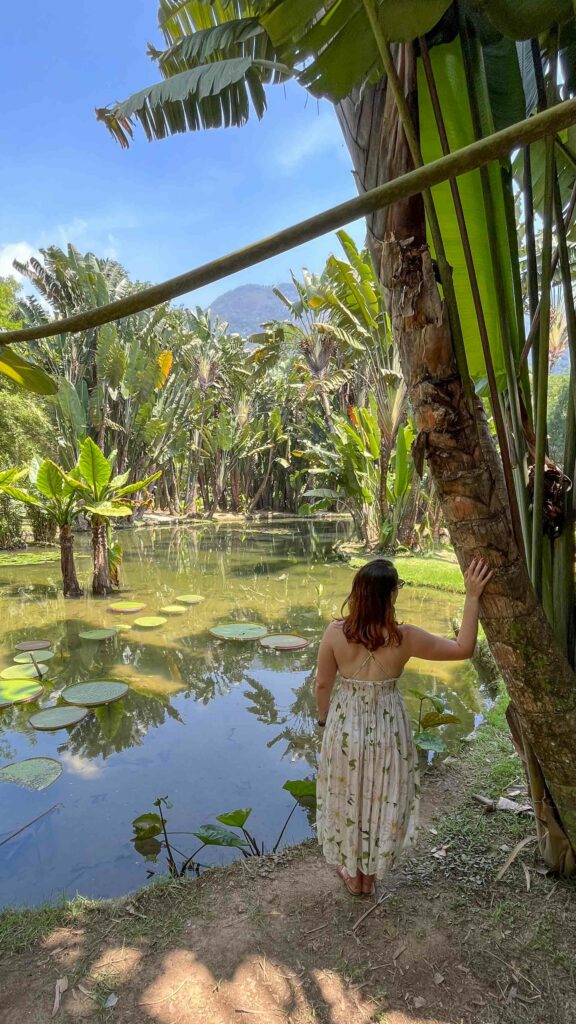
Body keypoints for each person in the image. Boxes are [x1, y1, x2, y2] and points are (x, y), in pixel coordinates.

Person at [315, 556, 492, 897]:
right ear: (391, 596)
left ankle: (354, 876)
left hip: (346, 729)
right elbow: (464, 648)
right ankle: (369, 875)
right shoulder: (404, 638)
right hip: (387, 729)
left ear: (357, 593)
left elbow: (323, 685)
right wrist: (471, 597)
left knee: (350, 793)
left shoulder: (335, 633)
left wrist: (324, 721)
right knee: (379, 794)